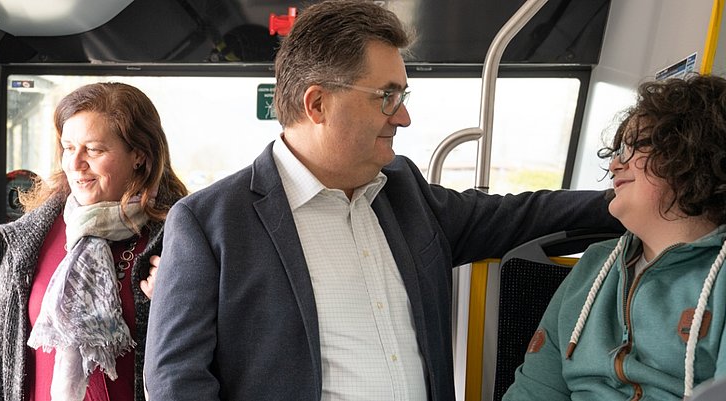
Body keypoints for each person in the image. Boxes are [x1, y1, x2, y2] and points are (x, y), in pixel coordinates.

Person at [143, 1, 623, 400]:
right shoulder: (209, 222)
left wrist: (637, 200)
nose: (405, 116)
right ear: (317, 104)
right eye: (387, 96)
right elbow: (175, 383)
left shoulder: (405, 192)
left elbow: (523, 216)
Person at [504, 75, 726, 400]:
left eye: (633, 147)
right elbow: (535, 389)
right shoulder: (594, 265)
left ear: (690, 152)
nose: (614, 164)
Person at [0, 82, 189, 401]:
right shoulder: (27, 239)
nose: (75, 163)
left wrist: (179, 301)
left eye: (93, 149)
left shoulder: (180, 239)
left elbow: (217, 358)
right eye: (68, 147)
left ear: (139, 156)